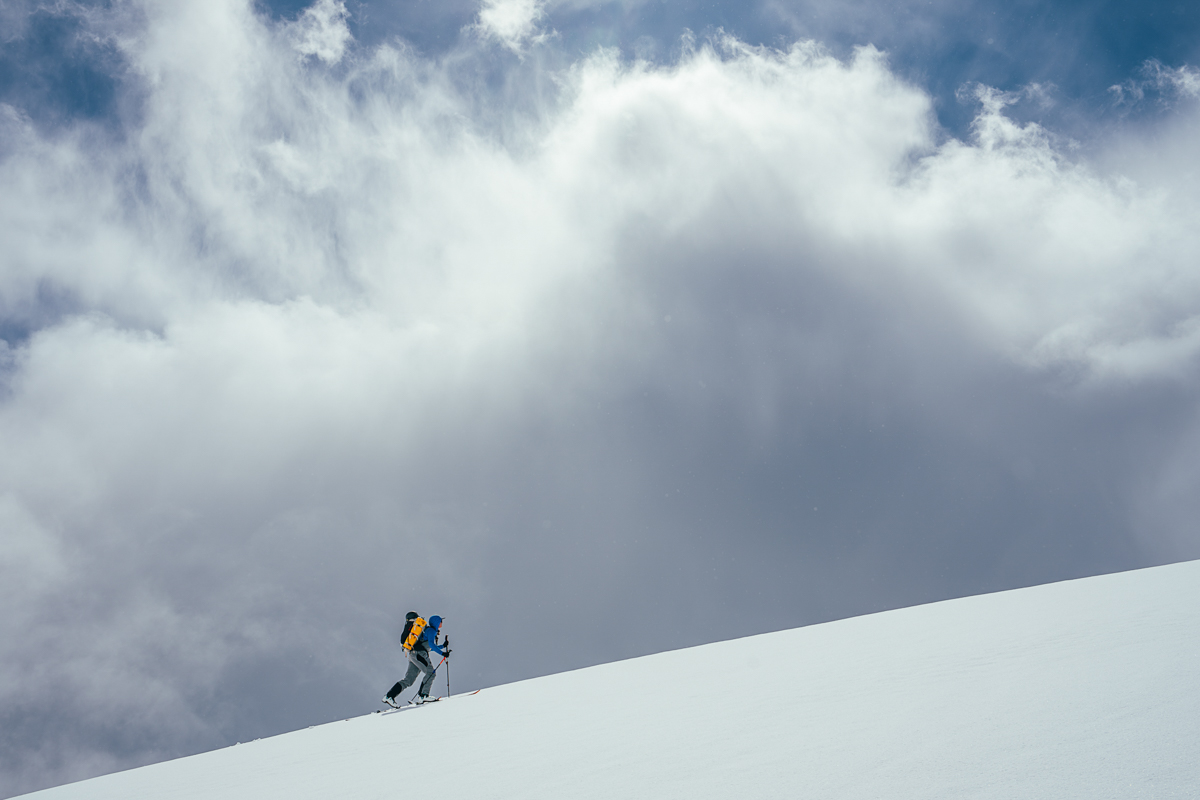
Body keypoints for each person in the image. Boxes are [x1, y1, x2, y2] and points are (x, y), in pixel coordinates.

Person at [383, 612, 450, 707]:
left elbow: (429, 647)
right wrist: (442, 653)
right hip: (419, 654)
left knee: (408, 680)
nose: (442, 623)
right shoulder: (431, 630)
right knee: (431, 673)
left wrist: (442, 646)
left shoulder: (429, 631)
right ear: (437, 622)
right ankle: (423, 695)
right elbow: (431, 645)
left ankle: (389, 696)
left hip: (414, 654)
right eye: (441, 621)